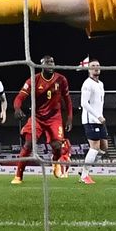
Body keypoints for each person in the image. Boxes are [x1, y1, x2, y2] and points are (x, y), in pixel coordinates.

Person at [12, 55, 72, 184]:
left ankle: (55, 161)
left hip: (54, 118)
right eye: (47, 62)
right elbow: (19, 97)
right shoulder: (33, 80)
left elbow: (67, 100)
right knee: (28, 144)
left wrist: (70, 117)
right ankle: (18, 176)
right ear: (41, 65)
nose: (51, 64)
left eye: (52, 61)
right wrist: (17, 108)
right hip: (37, 118)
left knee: (57, 147)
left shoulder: (61, 79)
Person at [79, 57, 106, 185]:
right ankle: (84, 175)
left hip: (100, 120)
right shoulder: (87, 83)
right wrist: (97, 115)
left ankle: (85, 166)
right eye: (93, 65)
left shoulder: (101, 84)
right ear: (89, 69)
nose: (96, 67)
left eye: (98, 65)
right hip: (90, 119)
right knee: (94, 147)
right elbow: (84, 103)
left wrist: (101, 116)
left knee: (104, 147)